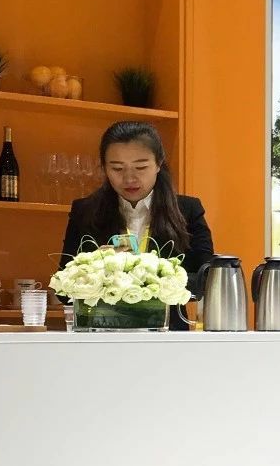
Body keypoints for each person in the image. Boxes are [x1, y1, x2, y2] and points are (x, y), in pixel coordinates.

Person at [60, 121, 214, 324]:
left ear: (159, 163)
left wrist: (150, 275)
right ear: (104, 167)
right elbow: (62, 290)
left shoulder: (187, 210)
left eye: (140, 167)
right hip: (102, 332)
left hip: (168, 334)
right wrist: (97, 267)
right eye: (117, 168)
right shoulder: (85, 211)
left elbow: (208, 279)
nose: (129, 178)